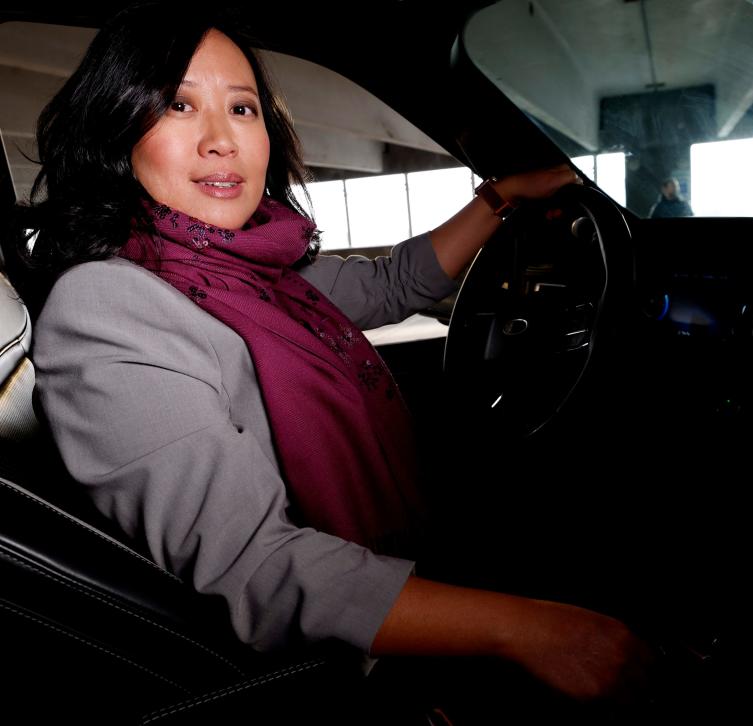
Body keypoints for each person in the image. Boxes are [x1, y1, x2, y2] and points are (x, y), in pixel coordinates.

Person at [4, 2, 650, 715]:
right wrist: (530, 630)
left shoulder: (257, 269)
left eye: (243, 109)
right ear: (119, 132)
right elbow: (256, 565)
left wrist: (504, 197)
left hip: (409, 556)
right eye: (178, 106)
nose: (222, 140)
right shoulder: (107, 305)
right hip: (346, 673)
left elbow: (393, 283)